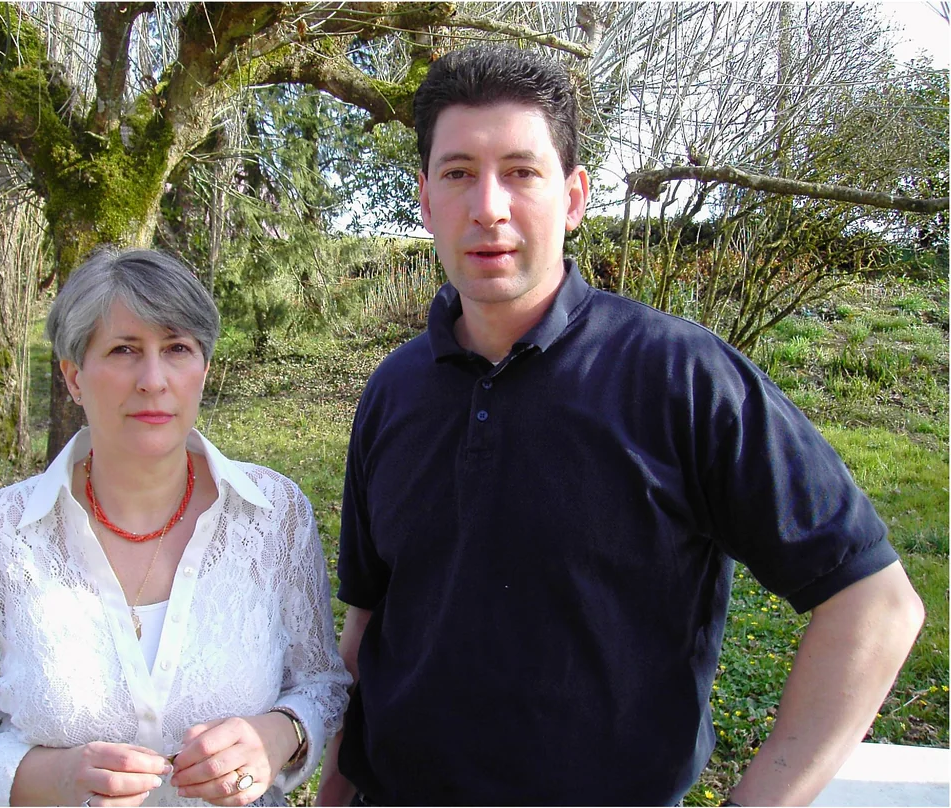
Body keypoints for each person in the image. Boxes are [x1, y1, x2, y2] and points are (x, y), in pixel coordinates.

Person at [316, 45, 925, 806]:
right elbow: (369, 625)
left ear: (573, 198)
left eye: (521, 172)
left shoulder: (681, 377)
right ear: (425, 199)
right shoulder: (393, 390)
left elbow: (875, 605)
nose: (489, 207)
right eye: (459, 172)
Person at [0, 248, 351, 807]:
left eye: (177, 348)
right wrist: (54, 778)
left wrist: (281, 734)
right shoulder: (3, 533)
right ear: (73, 377)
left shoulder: (274, 514)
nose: (153, 380)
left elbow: (322, 686)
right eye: (123, 350)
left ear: (204, 370)